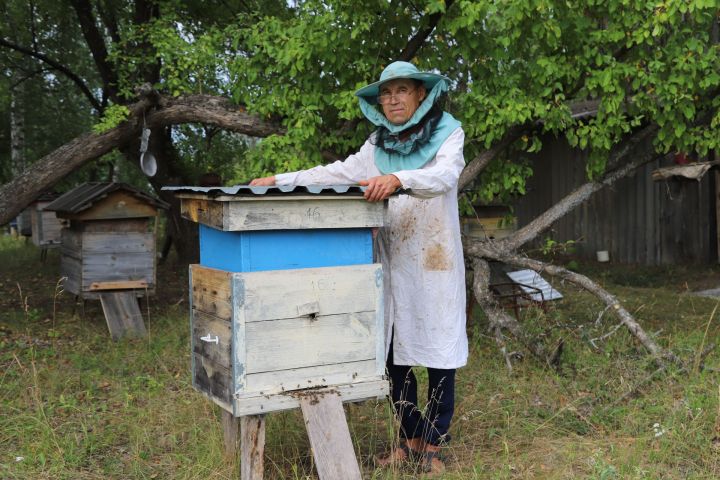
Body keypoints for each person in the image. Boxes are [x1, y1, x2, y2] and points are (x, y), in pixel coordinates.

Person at [250, 61, 467, 475]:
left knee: (439, 353)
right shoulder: (377, 144)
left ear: (420, 94)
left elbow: (444, 176)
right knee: (391, 357)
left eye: (401, 90)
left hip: (433, 260)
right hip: (391, 263)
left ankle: (435, 445)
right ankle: (409, 438)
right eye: (386, 93)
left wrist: (399, 179)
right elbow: (338, 173)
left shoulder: (448, 133)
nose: (393, 99)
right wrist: (281, 179)